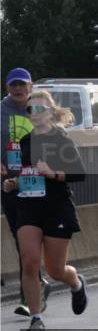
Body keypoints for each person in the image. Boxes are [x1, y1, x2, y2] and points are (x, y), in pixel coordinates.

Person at [2, 90, 88, 331]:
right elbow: (26, 172)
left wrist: (53, 173)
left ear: (50, 112)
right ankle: (37, 319)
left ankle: (76, 283)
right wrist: (14, 183)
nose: (34, 114)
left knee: (55, 270)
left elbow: (79, 173)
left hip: (56, 207)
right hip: (28, 207)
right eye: (30, 110)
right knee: (29, 261)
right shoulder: (26, 141)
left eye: (39, 109)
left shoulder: (61, 139)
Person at [2, 67, 51, 317]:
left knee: (41, 241)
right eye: (14, 85)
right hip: (11, 185)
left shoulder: (41, 109)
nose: (18, 89)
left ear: (31, 87)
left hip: (40, 184)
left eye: (22, 84)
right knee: (21, 239)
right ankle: (31, 293)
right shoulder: (1, 111)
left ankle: (41, 282)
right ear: (7, 87)